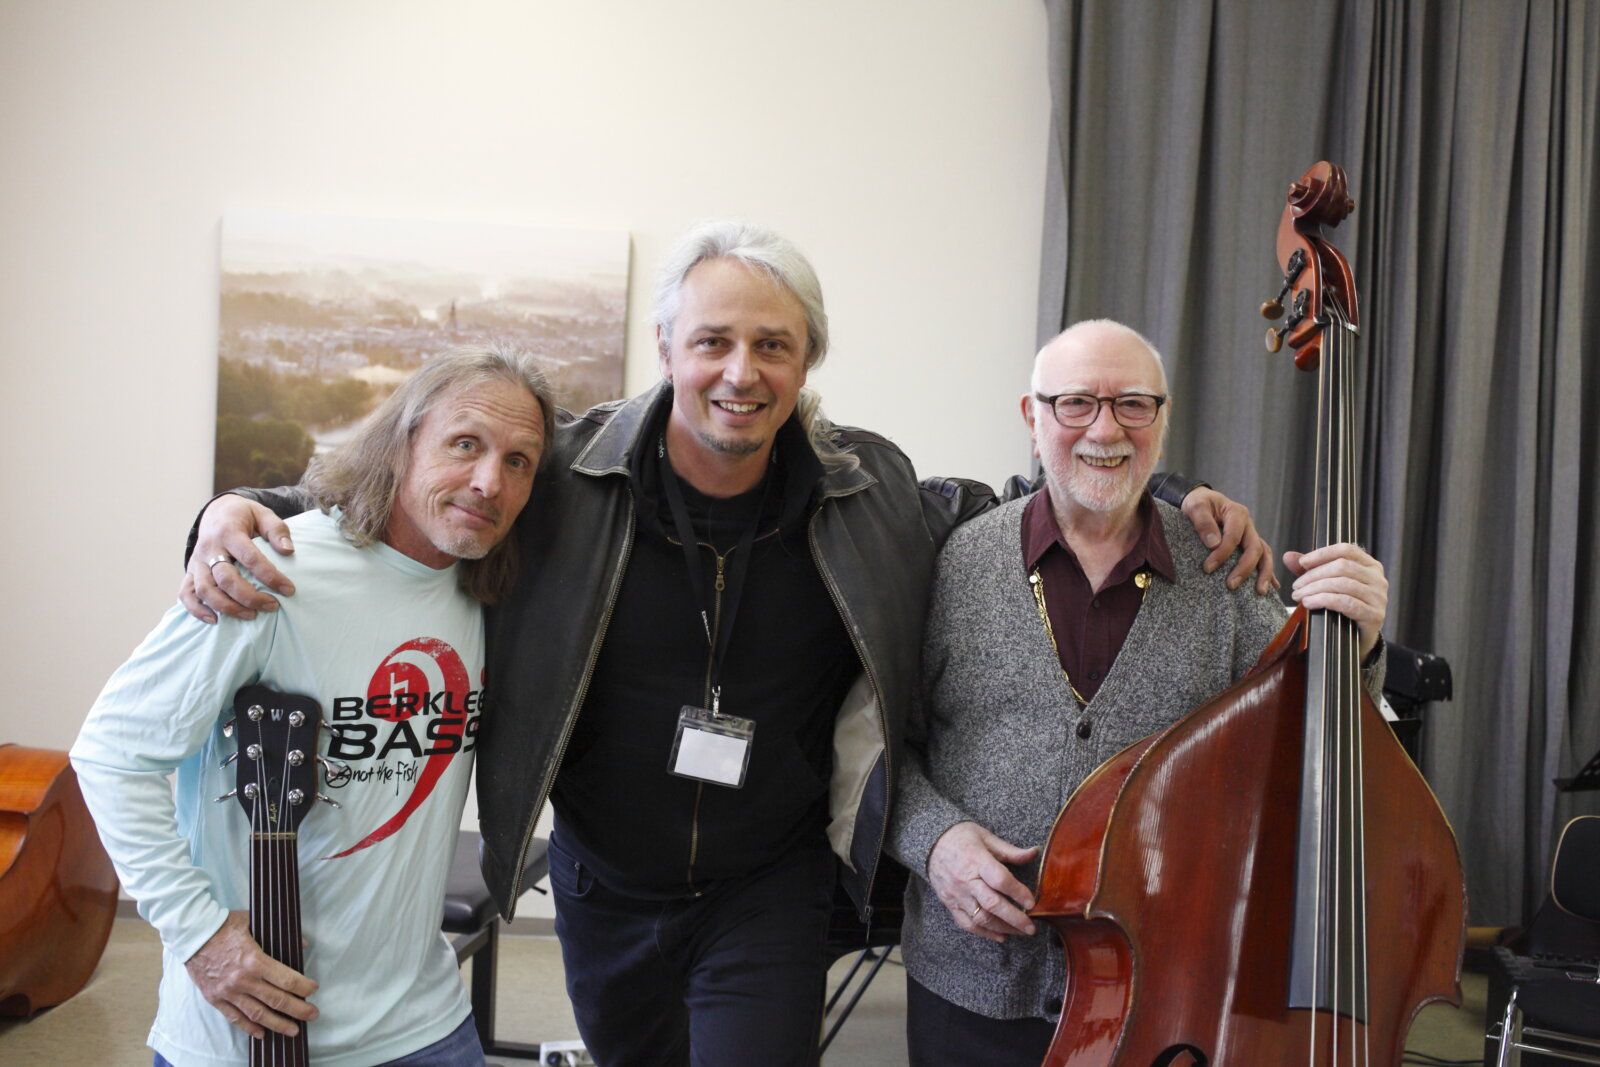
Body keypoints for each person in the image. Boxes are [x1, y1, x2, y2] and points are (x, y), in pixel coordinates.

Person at [178, 223, 1275, 1066]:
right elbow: (416, 497)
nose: (738, 370)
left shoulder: (871, 489)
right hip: (607, 880)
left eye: (772, 344)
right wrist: (235, 506)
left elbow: (1044, 494)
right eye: (712, 340)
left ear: (806, 365)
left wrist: (1176, 493)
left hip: (770, 881)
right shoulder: (564, 476)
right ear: (666, 348)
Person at [886, 319, 1390, 1064]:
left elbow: (1313, 737)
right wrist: (935, 844)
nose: (1105, 429)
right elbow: (881, 748)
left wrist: (1363, 641)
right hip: (973, 982)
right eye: (1076, 404)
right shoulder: (952, 563)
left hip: (1162, 993)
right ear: (1033, 417)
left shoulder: (1225, 571)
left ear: (1163, 418)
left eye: (1132, 404)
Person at [72, 345, 555, 1067]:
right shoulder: (272, 569)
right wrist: (200, 937)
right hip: (243, 1031)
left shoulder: (493, 594)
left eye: (519, 461)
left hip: (424, 1023)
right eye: (465, 444)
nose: (490, 481)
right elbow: (112, 752)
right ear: (402, 444)